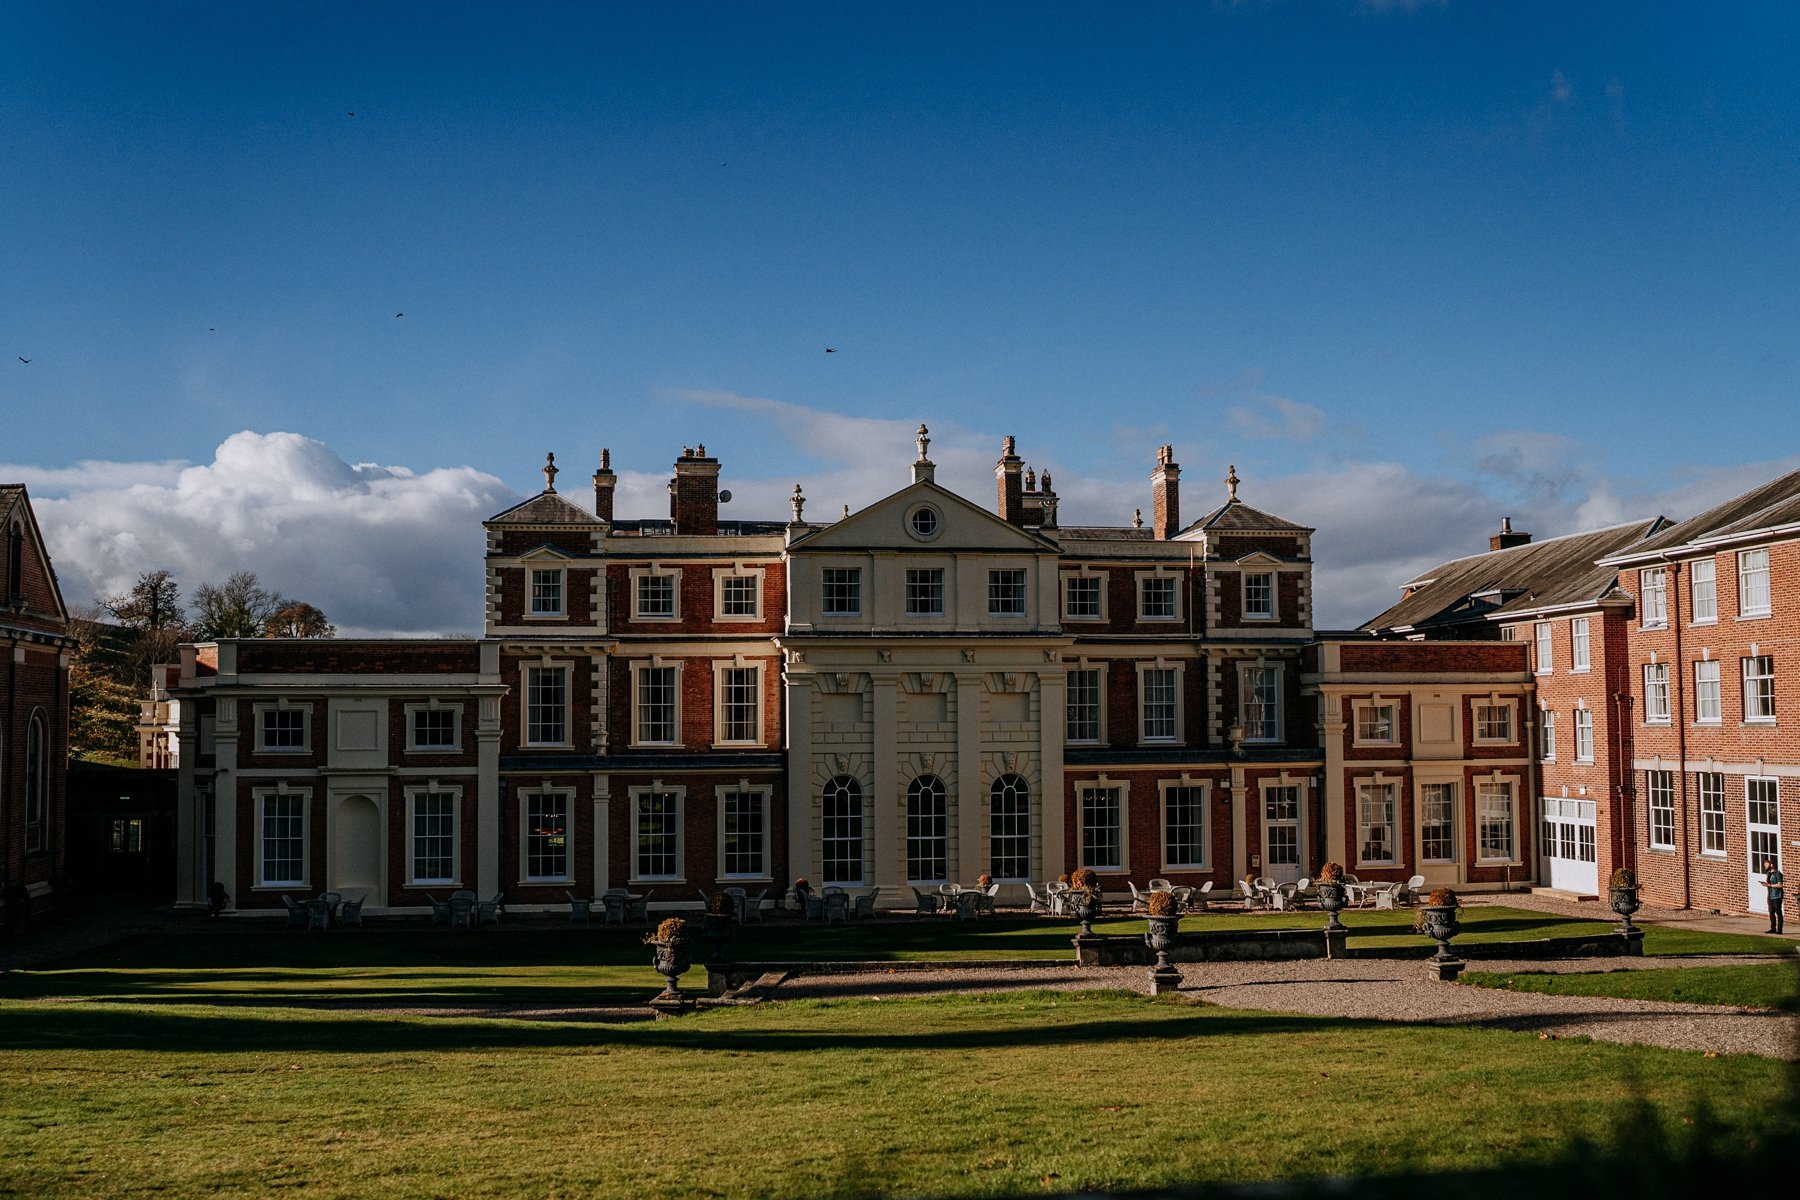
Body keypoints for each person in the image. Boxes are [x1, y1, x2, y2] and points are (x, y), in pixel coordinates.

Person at [1764, 858, 1785, 935]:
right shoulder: (1768, 873)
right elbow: (1769, 884)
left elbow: (1780, 885)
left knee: (1778, 912)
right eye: (1765, 865)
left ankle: (1779, 930)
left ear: (1771, 865)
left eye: (1766, 864)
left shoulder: (1777, 873)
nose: (1765, 866)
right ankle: (1773, 928)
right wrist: (1766, 884)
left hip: (1777, 896)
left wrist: (1770, 885)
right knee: (1771, 912)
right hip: (1770, 895)